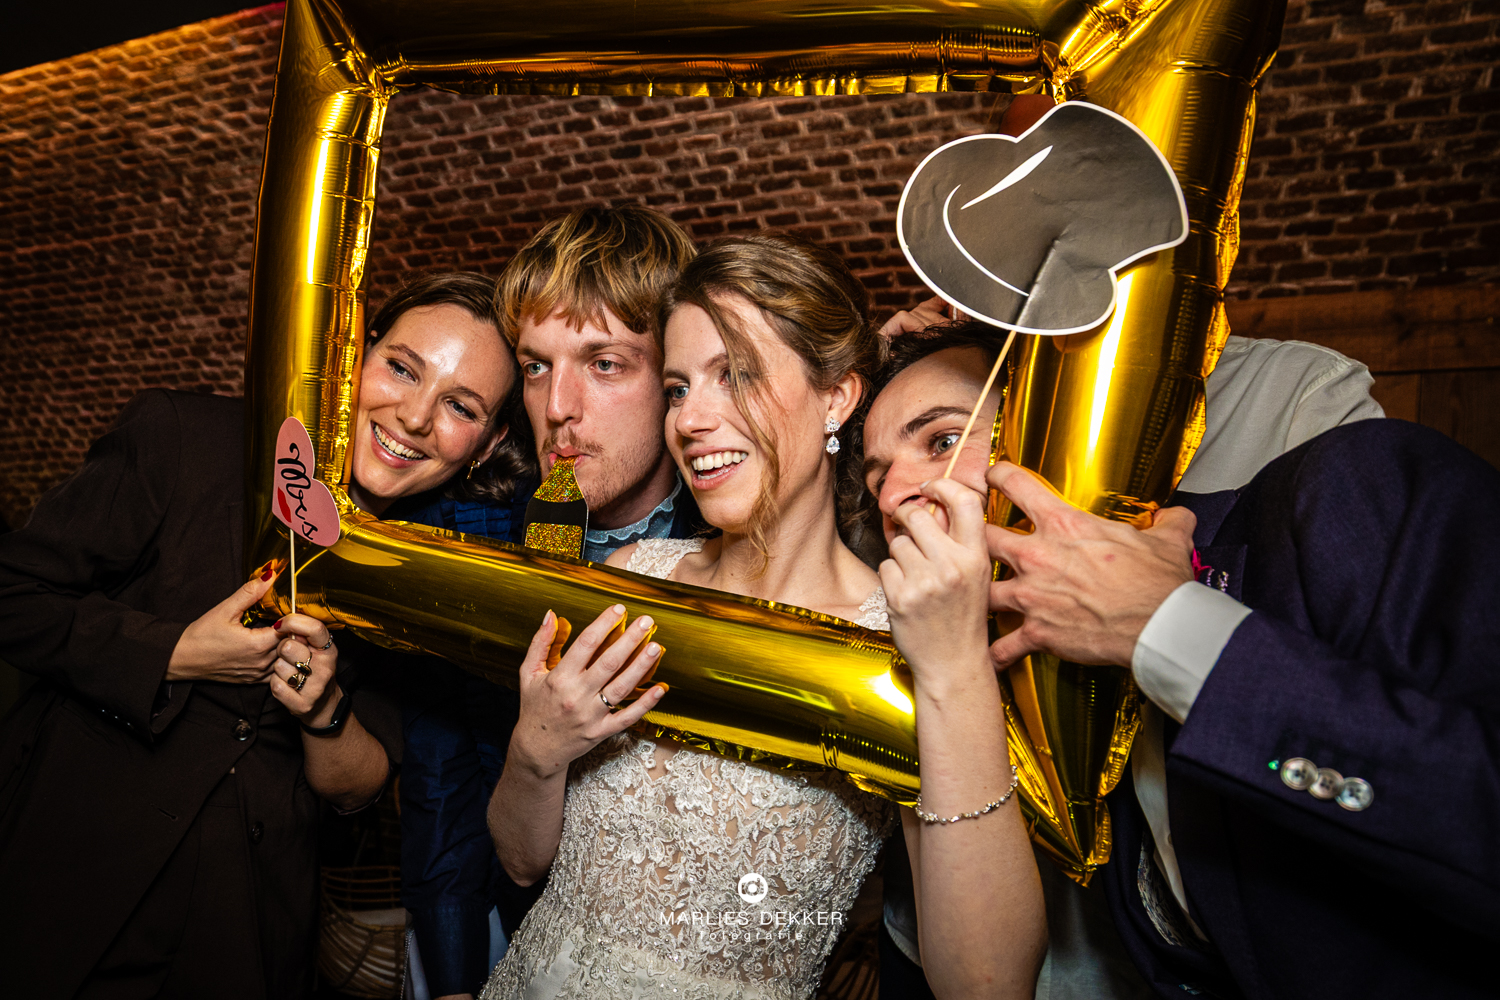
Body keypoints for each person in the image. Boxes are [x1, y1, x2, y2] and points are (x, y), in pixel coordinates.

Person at [480, 233, 1047, 1000]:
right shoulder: (628, 579)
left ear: (836, 398)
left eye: (736, 375)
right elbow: (519, 862)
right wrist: (536, 751)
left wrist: (953, 669)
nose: (690, 420)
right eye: (679, 388)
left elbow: (987, 985)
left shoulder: (906, 635)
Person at [0, 270, 527, 999]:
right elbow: (14, 594)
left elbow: (361, 791)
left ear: (487, 442)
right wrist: (179, 652)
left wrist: (323, 712)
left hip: (247, 931)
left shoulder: (428, 570)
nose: (412, 416)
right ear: (354, 356)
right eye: (402, 368)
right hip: (62, 885)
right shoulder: (183, 439)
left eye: (459, 406)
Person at [853, 318, 1386, 999]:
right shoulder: (917, 639)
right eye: (878, 481)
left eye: (944, 440)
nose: (896, 493)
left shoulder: (1271, 515)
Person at [396, 205, 702, 1000]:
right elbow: (444, 776)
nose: (557, 407)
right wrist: (455, 978)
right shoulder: (470, 534)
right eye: (535, 367)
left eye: (603, 363)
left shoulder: (749, 537)